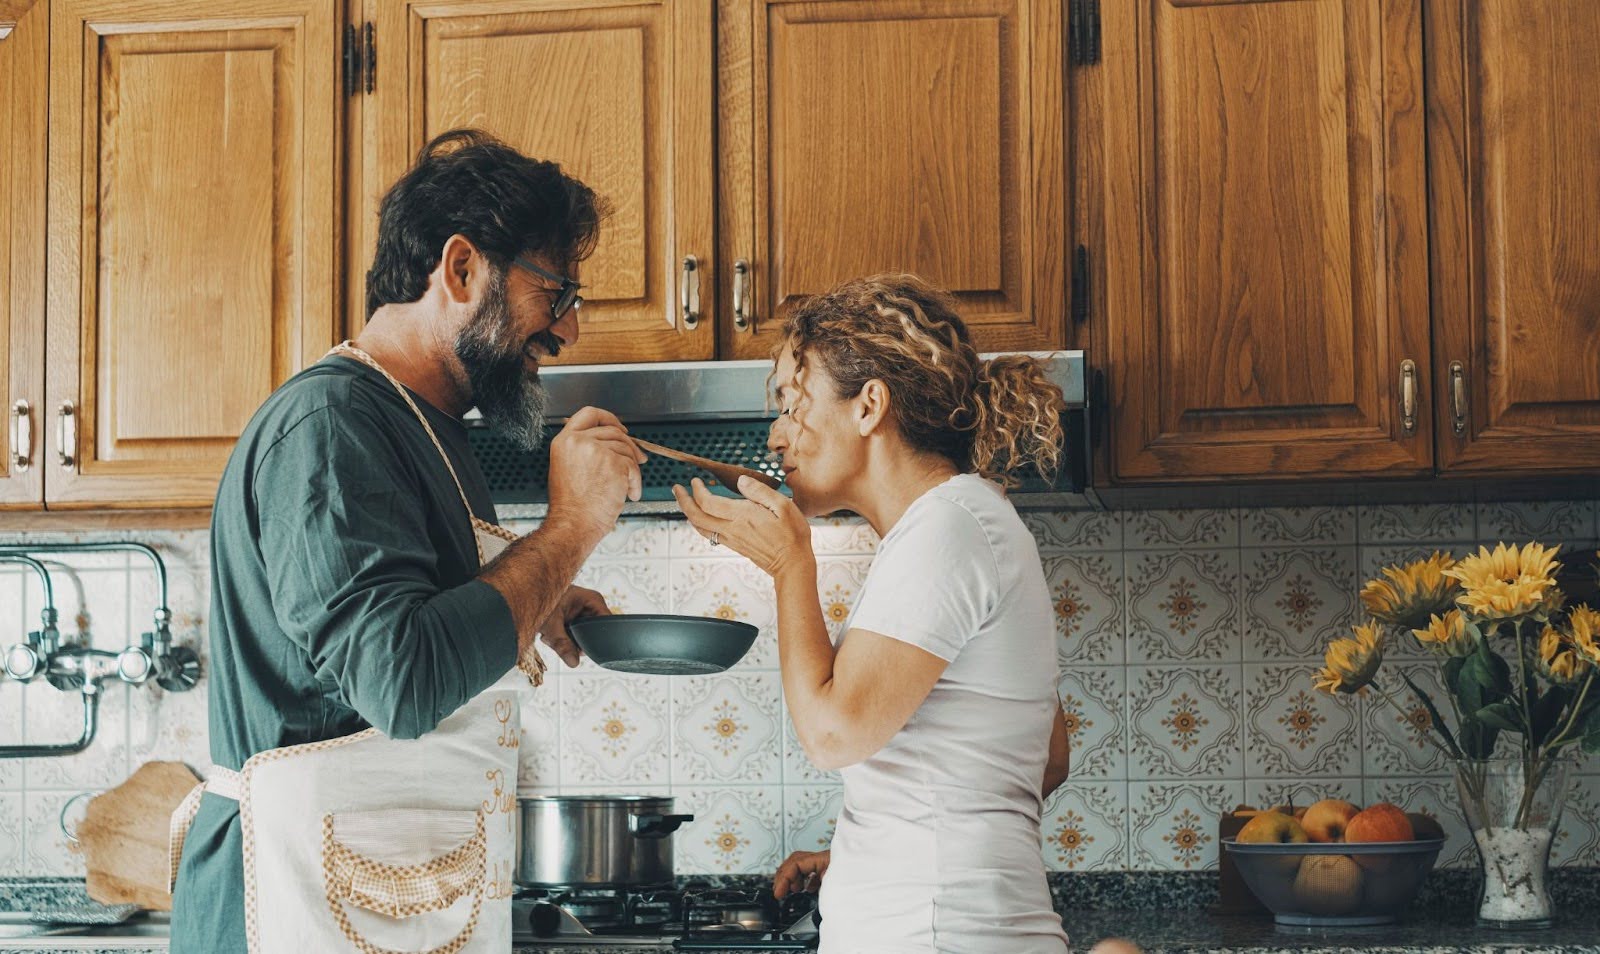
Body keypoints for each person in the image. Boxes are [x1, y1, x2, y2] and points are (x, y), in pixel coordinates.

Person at [169, 129, 646, 953]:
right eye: (557, 290)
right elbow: (400, 678)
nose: (569, 329)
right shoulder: (333, 424)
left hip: (376, 899)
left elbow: (399, 628)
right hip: (292, 904)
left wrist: (532, 599)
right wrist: (572, 529)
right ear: (462, 269)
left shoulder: (424, 426)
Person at [674, 274, 1074, 952]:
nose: (776, 438)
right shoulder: (959, 522)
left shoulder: (947, 527)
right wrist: (880, 855)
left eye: (791, 405)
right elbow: (1047, 755)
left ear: (869, 407)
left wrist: (789, 566)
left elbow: (833, 736)